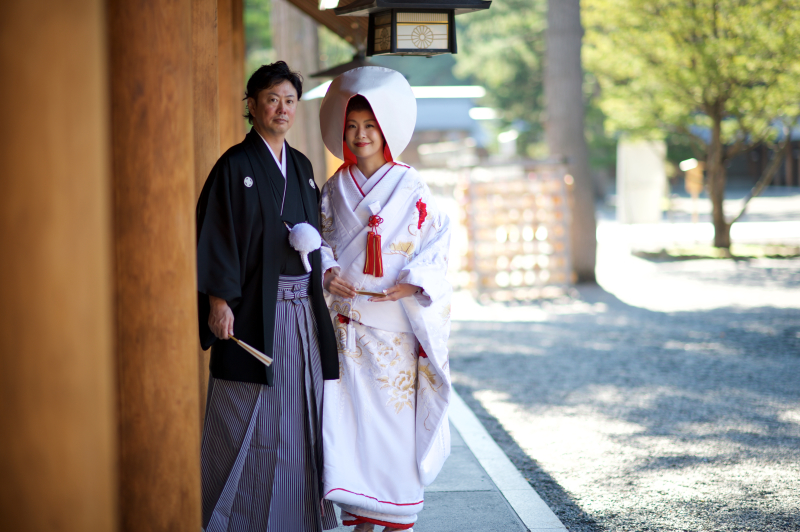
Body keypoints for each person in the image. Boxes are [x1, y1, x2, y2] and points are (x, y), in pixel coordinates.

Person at [196, 61, 338, 532]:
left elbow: (313, 237)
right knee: (250, 417)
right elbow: (217, 234)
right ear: (252, 105)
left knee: (302, 412)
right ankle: (242, 520)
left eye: (290, 100)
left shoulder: (300, 166)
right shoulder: (235, 167)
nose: (282, 109)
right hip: (257, 311)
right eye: (272, 99)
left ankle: (300, 517)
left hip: (301, 312)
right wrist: (219, 300)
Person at [317, 67, 453, 531]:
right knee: (348, 423)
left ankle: (392, 512)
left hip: (394, 325)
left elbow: (438, 244)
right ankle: (360, 514)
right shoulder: (334, 187)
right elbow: (320, 240)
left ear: (386, 129)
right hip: (346, 327)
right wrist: (328, 271)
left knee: (392, 425)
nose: (360, 135)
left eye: (369, 126)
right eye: (352, 127)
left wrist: (414, 281)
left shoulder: (413, 187)